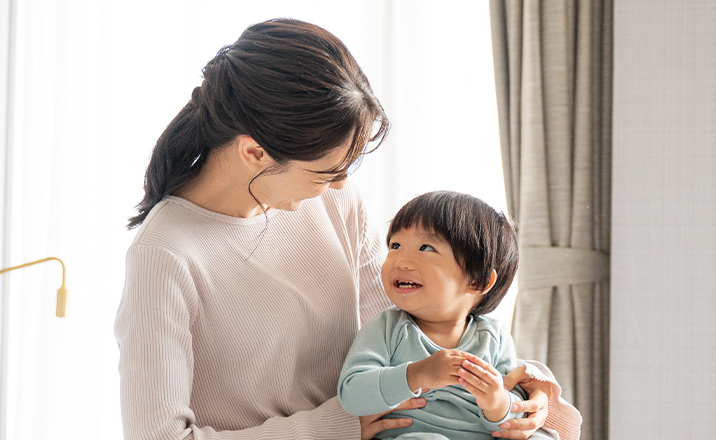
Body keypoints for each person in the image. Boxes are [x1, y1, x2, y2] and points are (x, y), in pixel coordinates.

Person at [114, 18, 576, 440]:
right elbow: (161, 437)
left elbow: (411, 329)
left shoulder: (333, 200)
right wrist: (336, 425)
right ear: (254, 153)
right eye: (326, 172)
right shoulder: (167, 253)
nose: (338, 185)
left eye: (347, 169)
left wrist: (528, 388)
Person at [338, 191, 569, 439]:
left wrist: (497, 402)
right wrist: (417, 374)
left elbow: (516, 414)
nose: (401, 261)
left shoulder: (493, 336)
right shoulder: (387, 328)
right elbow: (352, 394)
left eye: (426, 248)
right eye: (395, 245)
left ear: (478, 281)